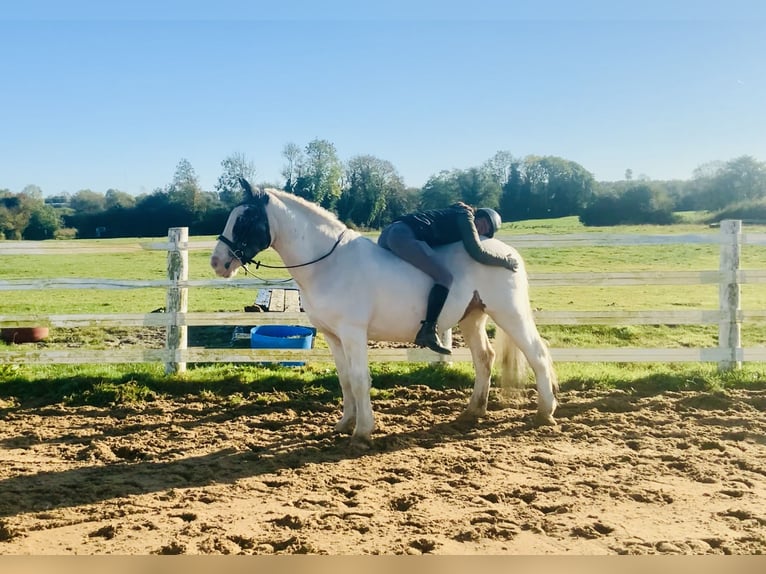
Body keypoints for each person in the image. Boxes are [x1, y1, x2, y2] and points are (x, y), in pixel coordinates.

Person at [378, 202, 518, 355]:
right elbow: (477, 252)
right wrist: (505, 261)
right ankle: (428, 329)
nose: (481, 229)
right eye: (483, 223)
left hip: (391, 233)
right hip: (403, 235)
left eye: (485, 230)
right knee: (444, 277)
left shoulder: (456, 213)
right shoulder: (466, 217)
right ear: (478, 216)